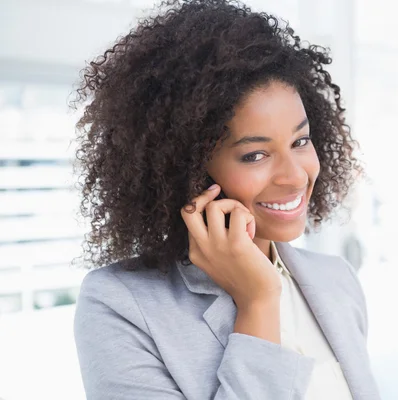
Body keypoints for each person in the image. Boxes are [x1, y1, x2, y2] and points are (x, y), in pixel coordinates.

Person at [72, 0, 380, 399]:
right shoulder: (120, 306)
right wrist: (257, 302)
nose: (295, 175)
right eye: (255, 155)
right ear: (189, 170)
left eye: (300, 141)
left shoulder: (336, 281)